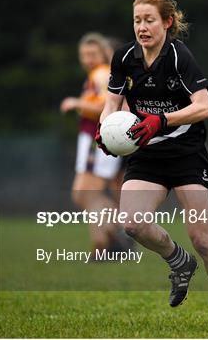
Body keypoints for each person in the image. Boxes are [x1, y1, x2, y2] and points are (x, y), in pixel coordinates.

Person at [95, 0, 208, 328]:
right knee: (132, 224)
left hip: (186, 155)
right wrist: (104, 131)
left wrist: (160, 120)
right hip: (146, 155)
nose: (142, 27)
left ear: (167, 22)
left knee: (204, 239)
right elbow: (112, 103)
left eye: (149, 20)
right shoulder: (124, 58)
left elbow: (204, 107)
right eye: (137, 21)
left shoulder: (179, 57)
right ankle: (178, 261)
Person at [60, 32, 132, 255]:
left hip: (97, 139)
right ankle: (104, 244)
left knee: (84, 194)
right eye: (84, 54)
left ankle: (121, 228)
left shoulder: (102, 74)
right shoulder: (96, 74)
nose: (88, 58)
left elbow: (107, 106)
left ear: (103, 54)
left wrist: (77, 103)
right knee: (86, 195)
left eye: (93, 53)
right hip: (92, 139)